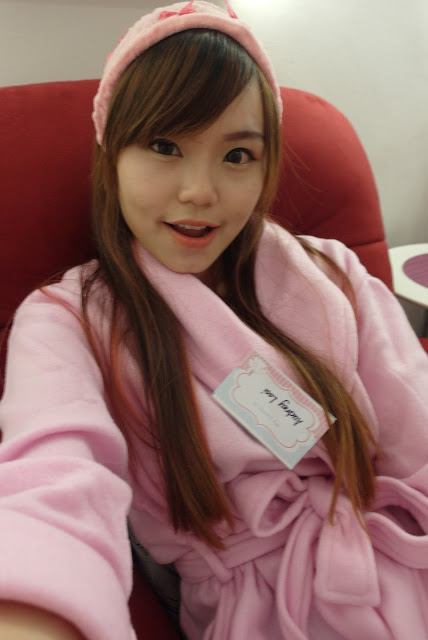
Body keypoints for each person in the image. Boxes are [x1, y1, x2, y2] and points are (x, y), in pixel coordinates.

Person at [0, 1, 427, 639]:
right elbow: (52, 490)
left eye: (237, 156)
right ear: (112, 155)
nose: (200, 191)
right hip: (258, 612)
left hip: (398, 557)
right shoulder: (68, 321)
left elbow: (417, 425)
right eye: (164, 146)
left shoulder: (333, 272)